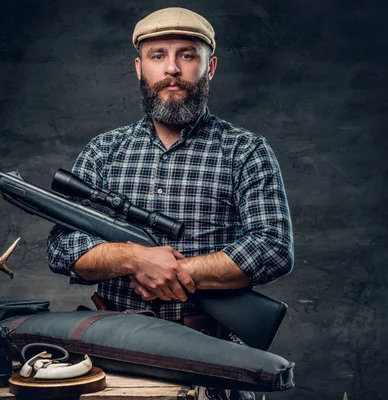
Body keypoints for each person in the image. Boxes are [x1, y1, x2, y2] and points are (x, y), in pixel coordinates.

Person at [46, 7, 294, 399]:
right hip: (114, 357)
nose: (172, 68)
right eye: (157, 55)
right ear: (139, 68)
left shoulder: (246, 151)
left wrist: (180, 272)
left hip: (212, 361)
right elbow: (62, 247)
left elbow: (273, 246)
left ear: (209, 67)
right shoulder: (103, 151)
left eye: (187, 55)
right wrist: (134, 258)